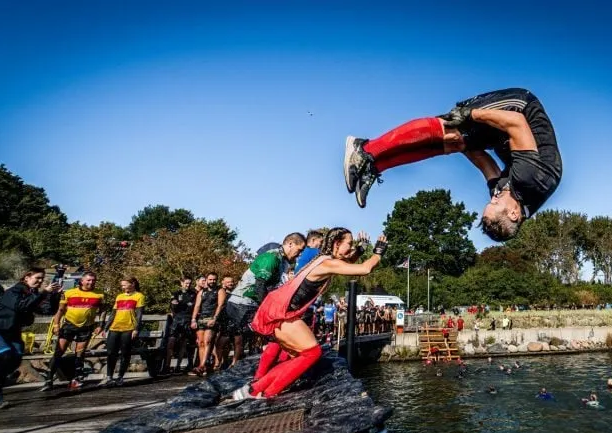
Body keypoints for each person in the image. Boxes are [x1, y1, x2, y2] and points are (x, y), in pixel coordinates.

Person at [344, 88, 562, 241]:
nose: (494, 198)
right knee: (450, 126)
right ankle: (365, 149)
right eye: (495, 203)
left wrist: (461, 144)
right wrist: (470, 114)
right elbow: (517, 123)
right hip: (518, 110)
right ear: (514, 213)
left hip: (504, 137)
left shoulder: (506, 196)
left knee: (454, 141)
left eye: (491, 202)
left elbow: (482, 162)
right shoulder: (531, 178)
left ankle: (374, 167)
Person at [231, 229, 387, 399]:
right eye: (349, 244)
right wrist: (378, 252)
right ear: (336, 244)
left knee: (300, 355)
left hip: (281, 308)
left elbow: (349, 261)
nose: (351, 248)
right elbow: (365, 268)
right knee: (312, 353)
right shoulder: (327, 263)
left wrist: (361, 249)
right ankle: (262, 392)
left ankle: (255, 389)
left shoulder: (325, 259)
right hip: (281, 310)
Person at [0, 267, 61, 408]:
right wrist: (44, 292)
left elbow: (48, 310)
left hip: (12, 332)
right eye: (37, 278)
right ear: (26, 278)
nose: (40, 281)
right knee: (6, 356)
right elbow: (21, 306)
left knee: (15, 360)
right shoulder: (14, 291)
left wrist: (54, 296)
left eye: (42, 278)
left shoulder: (33, 294)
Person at [221, 233, 306, 368]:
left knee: (275, 334)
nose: (299, 254)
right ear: (290, 244)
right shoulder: (271, 257)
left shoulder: (281, 260)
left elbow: (273, 288)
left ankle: (277, 366)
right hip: (242, 304)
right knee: (274, 334)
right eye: (299, 250)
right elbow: (260, 286)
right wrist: (267, 309)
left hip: (249, 303)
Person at [43, 271, 105, 391]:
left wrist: (100, 325)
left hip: (86, 327)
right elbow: (60, 310)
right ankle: (49, 380)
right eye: (88, 280)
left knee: (80, 354)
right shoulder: (70, 293)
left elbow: (102, 310)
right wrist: (56, 325)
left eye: (93, 280)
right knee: (59, 352)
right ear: (82, 281)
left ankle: (76, 379)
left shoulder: (99, 294)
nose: (91, 282)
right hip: (69, 325)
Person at [101, 277, 144, 386]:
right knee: (111, 352)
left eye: (124, 284)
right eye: (122, 285)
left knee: (125, 352)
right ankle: (109, 376)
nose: (122, 287)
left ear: (132, 284)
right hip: (114, 328)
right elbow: (113, 313)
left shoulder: (139, 296)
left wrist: (136, 329)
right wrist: (105, 328)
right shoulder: (119, 296)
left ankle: (120, 376)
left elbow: (139, 315)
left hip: (128, 328)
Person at [189, 272, 222, 376]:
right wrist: (193, 319)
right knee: (201, 342)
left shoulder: (220, 290)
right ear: (207, 280)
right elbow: (197, 306)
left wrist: (215, 318)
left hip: (212, 317)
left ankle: (202, 366)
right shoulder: (202, 292)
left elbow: (220, 305)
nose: (212, 281)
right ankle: (203, 366)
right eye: (210, 279)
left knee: (208, 341)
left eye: (214, 279)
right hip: (201, 318)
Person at [164, 276, 196, 374]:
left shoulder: (193, 294)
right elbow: (173, 306)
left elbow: (193, 306)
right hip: (177, 319)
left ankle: (178, 366)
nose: (188, 285)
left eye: (189, 283)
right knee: (171, 342)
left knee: (183, 343)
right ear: (181, 283)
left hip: (187, 319)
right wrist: (175, 305)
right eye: (186, 283)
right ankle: (167, 366)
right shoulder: (176, 293)